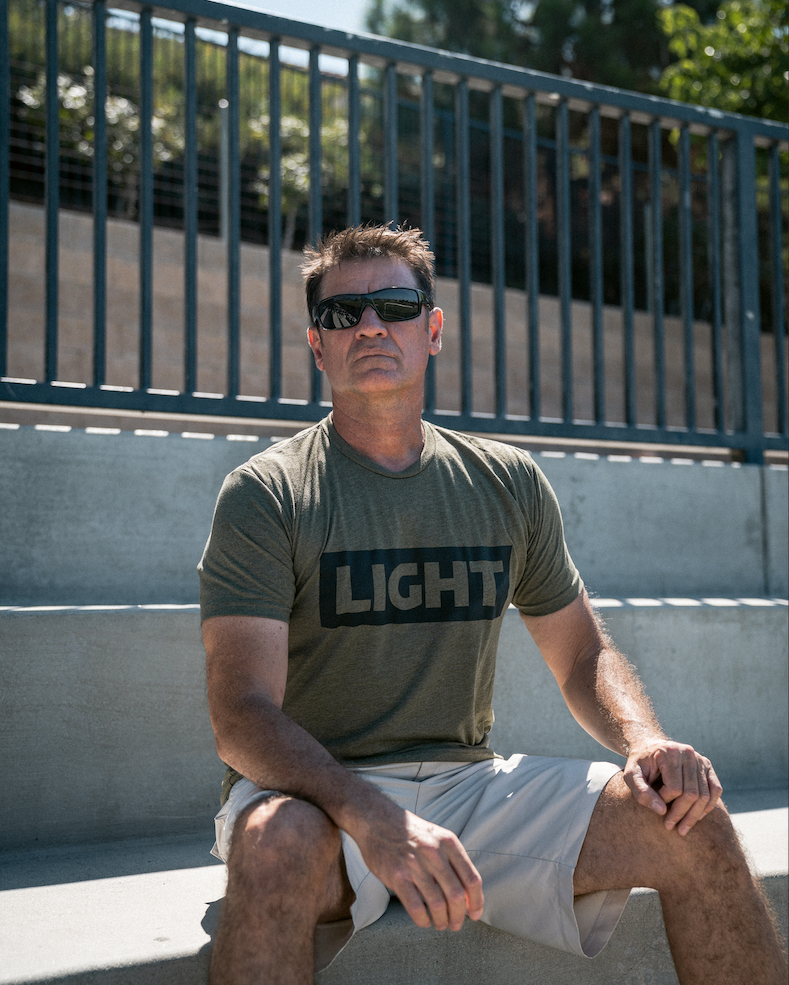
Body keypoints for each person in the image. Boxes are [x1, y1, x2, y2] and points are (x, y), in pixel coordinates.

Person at [198, 224, 786, 985]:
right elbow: (241, 713)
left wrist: (643, 740)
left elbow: (581, 654)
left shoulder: (504, 480)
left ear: (431, 328)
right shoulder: (267, 492)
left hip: (464, 785)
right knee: (274, 842)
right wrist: (370, 815)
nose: (370, 325)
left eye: (394, 305)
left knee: (689, 822)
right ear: (319, 345)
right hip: (314, 794)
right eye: (344, 314)